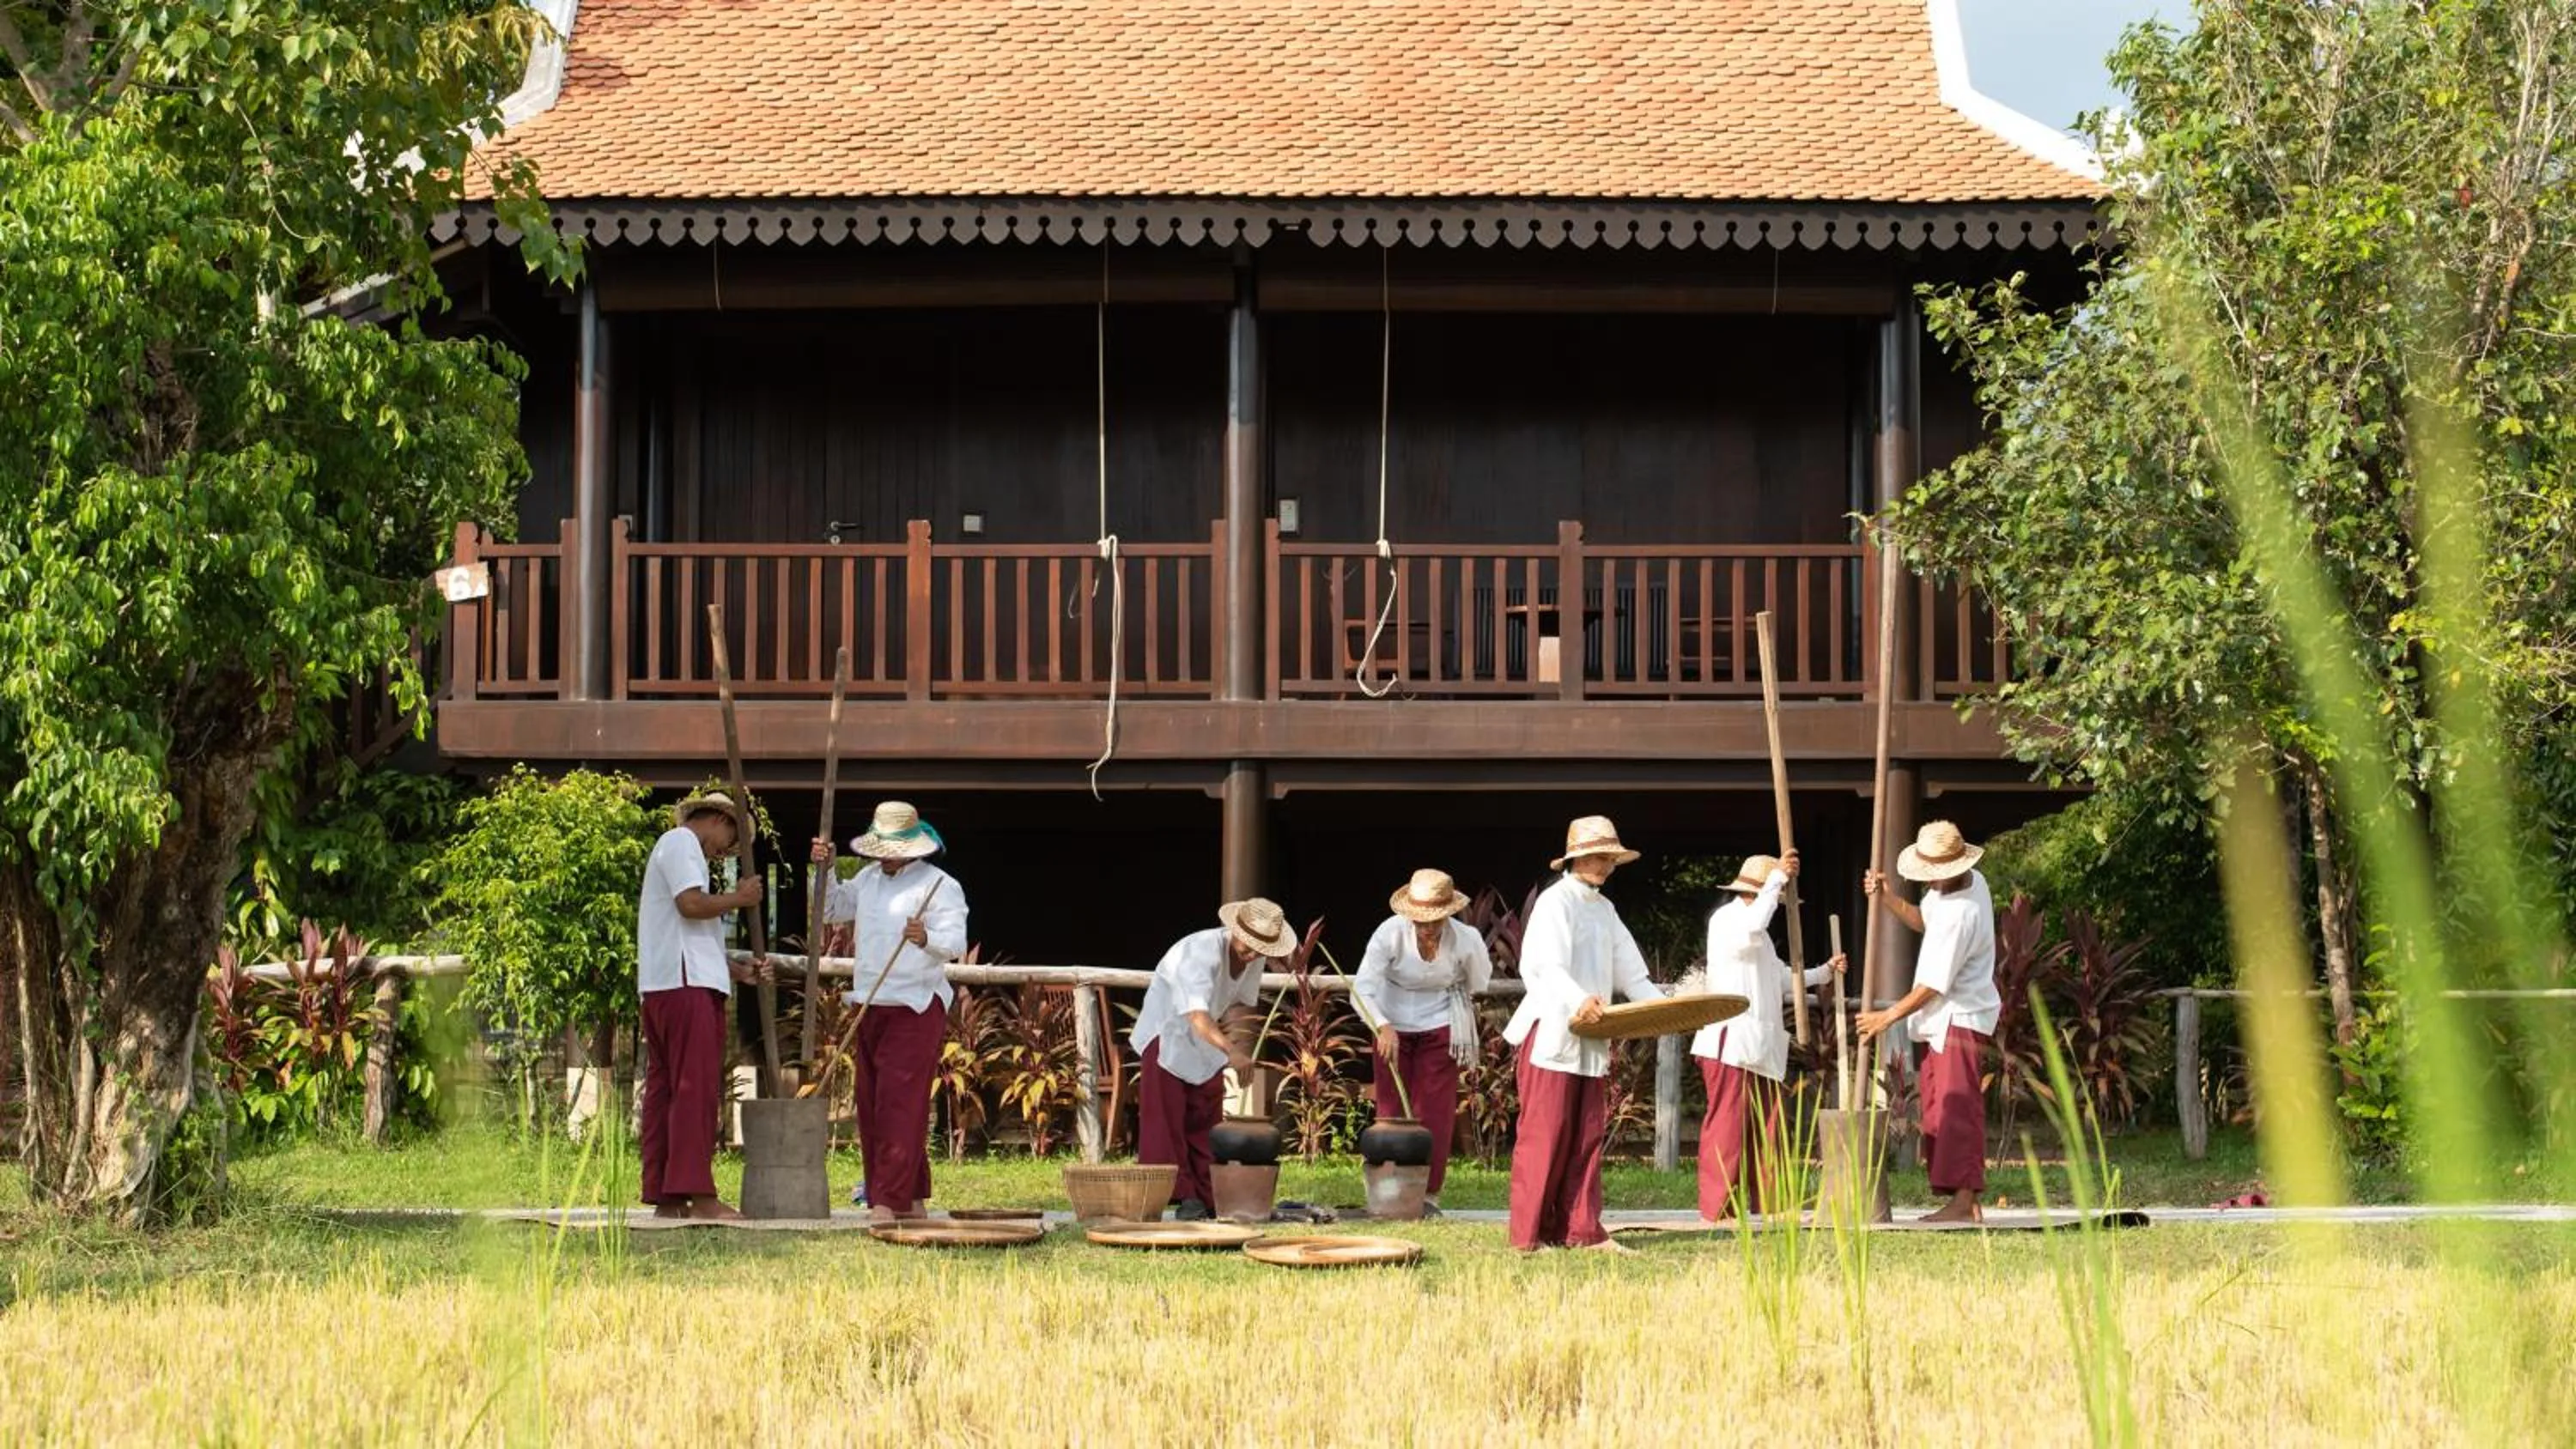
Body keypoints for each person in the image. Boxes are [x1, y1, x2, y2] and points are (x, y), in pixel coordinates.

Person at [1503, 816, 1665, 1252]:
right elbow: (1542, 965)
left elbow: (1632, 971)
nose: (1604, 864)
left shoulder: (1603, 909)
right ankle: (1529, 1236)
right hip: (1552, 1031)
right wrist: (1578, 999)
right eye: (1597, 856)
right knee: (1545, 1133)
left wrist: (1663, 1011)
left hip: (1593, 1034)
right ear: (1577, 858)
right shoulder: (1556, 903)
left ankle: (1580, 1230)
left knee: (1586, 1135)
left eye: (1609, 857)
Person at [811, 801, 968, 1222]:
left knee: (899, 1102)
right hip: (870, 1002)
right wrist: (823, 871)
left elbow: (954, 942)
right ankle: (910, 1195)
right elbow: (829, 912)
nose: (886, 858)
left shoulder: (939, 885)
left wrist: (925, 937)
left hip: (915, 1004)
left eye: (893, 850)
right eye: (881, 849)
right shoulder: (866, 880)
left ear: (913, 848)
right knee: (874, 1099)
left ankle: (888, 1199)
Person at [1856, 821, 2001, 1224]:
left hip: (1959, 1015)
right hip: (1945, 1019)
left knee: (1958, 1108)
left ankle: (1964, 1200)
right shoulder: (1968, 882)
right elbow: (1924, 919)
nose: (1932, 881)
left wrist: (1887, 1016)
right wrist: (1887, 898)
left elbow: (1934, 984)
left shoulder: (1962, 913)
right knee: (1939, 1109)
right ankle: (1962, 1200)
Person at [1689, 850, 1845, 1222]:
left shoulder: (1762, 938)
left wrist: (1824, 972)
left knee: (1768, 1126)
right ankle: (1719, 1209)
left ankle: (1769, 1203)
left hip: (1762, 1044)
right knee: (1728, 1126)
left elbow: (1780, 979)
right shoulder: (1729, 920)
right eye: (1772, 897)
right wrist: (1778, 880)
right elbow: (1751, 931)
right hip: (1730, 1041)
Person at [637, 791, 769, 1221]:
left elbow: (688, 934)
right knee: (694, 1091)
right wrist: (740, 898)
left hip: (670, 984)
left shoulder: (679, 849)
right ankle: (698, 1193)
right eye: (729, 836)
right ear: (715, 818)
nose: (726, 849)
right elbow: (690, 906)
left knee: (669, 1090)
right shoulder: (681, 843)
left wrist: (735, 970)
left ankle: (667, 1193)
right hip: (684, 988)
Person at [1130, 898, 1297, 1220]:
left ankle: (1208, 1193)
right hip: (1167, 1034)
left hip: (1205, 1040)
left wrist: (1233, 1049)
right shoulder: (1199, 953)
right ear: (1234, 931)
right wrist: (1232, 1050)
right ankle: (1180, 1196)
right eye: (1248, 945)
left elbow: (1237, 1003)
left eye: (1260, 949)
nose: (1252, 954)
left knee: (1205, 1117)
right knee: (1166, 1121)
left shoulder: (1254, 958)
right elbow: (1196, 1014)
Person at [1355, 869, 1494, 1216]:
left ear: (1449, 913)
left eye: (1434, 920)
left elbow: (1479, 981)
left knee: (1435, 1110)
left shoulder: (1466, 938)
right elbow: (1363, 989)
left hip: (1440, 1020)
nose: (1427, 927)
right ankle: (1388, 1188)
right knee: (1391, 1109)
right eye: (1420, 920)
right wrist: (1383, 1026)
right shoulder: (1389, 933)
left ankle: (1428, 1194)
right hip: (1390, 1021)